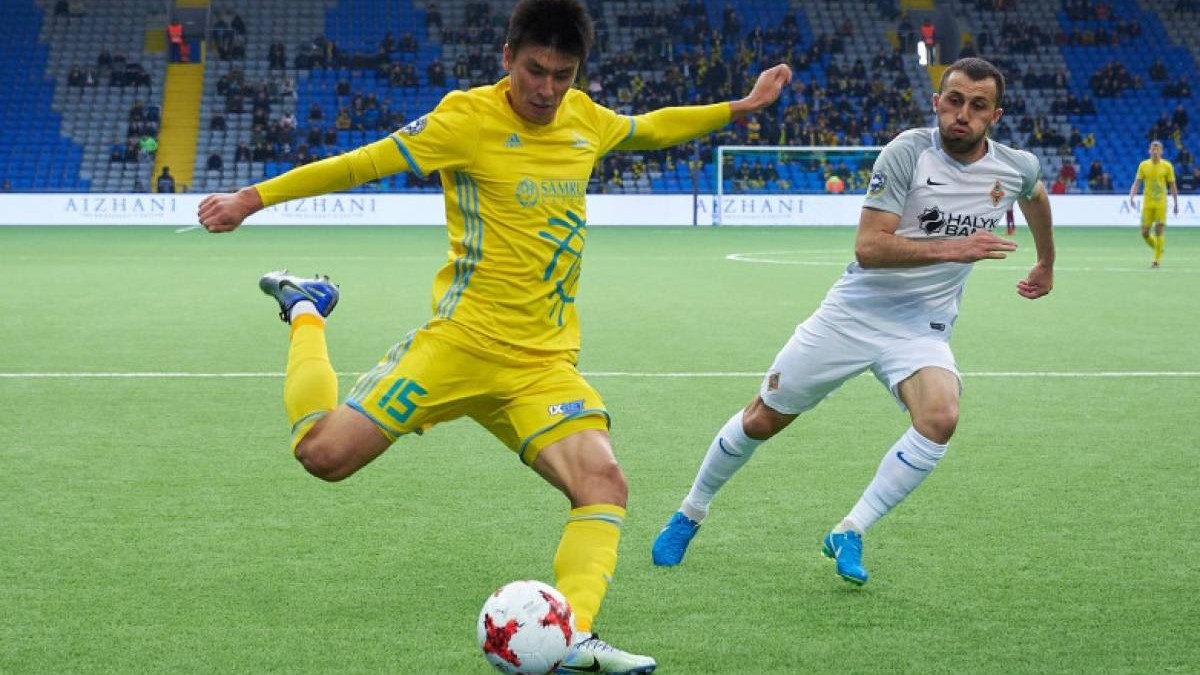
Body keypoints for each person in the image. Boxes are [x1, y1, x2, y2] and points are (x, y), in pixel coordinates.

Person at [196, 1, 791, 672]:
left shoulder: (585, 118)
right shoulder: (465, 119)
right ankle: (306, 308)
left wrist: (741, 107)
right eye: (535, 71)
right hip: (460, 345)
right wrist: (251, 199)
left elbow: (650, 128)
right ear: (507, 58)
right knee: (322, 454)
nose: (547, 89)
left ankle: (573, 637)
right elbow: (362, 163)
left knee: (603, 482)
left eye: (563, 75)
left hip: (542, 363)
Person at [652, 57, 1055, 587]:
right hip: (853, 315)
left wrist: (1046, 261)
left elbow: (1036, 195)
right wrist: (957, 247)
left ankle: (850, 530)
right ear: (937, 102)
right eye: (954, 100)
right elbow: (869, 248)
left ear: (994, 116)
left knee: (941, 416)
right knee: (762, 420)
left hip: (921, 327)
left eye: (978, 106)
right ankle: (690, 512)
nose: (963, 114)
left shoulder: (1014, 166)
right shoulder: (908, 152)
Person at [1128, 140, 1179, 268]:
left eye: (1157, 149)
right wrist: (1132, 196)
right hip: (1148, 203)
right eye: (1153, 148)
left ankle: (1156, 261)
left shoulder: (1167, 166)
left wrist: (1176, 202)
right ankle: (1158, 248)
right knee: (1145, 233)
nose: (1155, 151)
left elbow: (1172, 185)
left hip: (1161, 203)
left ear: (1161, 151)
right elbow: (1137, 182)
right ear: (1149, 150)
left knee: (1158, 230)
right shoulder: (1143, 165)